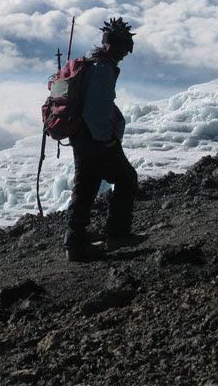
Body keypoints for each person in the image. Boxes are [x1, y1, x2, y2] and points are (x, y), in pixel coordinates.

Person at [64, 17, 143, 262]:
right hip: (95, 139)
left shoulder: (88, 61)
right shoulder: (102, 69)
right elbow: (95, 112)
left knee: (85, 187)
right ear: (115, 46)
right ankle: (116, 234)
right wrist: (107, 141)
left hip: (79, 136)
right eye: (123, 51)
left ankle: (75, 243)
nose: (123, 56)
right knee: (127, 179)